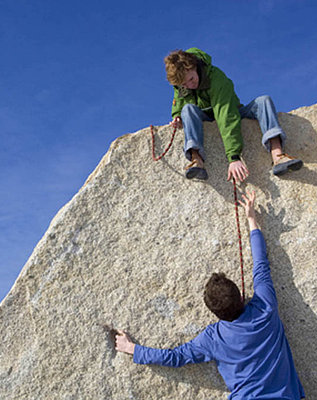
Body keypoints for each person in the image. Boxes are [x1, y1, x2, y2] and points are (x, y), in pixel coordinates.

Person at [115, 190, 305, 399]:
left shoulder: (214, 338)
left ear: (215, 313)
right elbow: (261, 264)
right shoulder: (265, 308)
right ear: (241, 297)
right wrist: (252, 219)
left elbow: (175, 357)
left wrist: (132, 348)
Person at [164, 48, 303, 181]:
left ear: (194, 67)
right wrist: (177, 116)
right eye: (184, 84)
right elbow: (179, 99)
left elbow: (226, 116)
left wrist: (234, 157)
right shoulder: (182, 84)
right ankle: (197, 161)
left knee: (263, 100)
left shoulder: (217, 79)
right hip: (205, 115)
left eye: (191, 79)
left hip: (231, 110)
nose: (190, 85)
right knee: (187, 109)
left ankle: (278, 155)